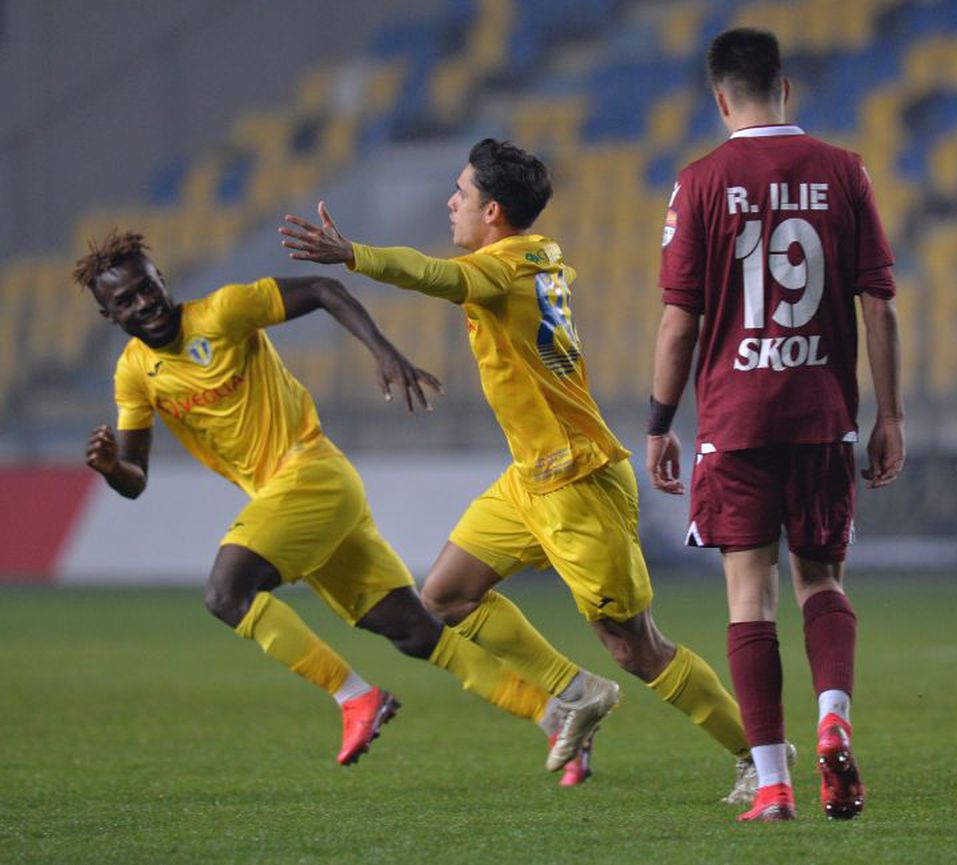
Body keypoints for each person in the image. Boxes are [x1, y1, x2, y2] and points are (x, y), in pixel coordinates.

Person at [278, 138, 753, 791]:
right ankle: (575, 688)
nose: (450, 202)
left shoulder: (499, 267)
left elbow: (435, 275)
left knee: (637, 646)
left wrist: (354, 255)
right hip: (532, 476)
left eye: (461, 193)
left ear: (494, 210)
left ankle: (757, 757)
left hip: (578, 482)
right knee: (446, 594)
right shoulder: (541, 253)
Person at [76, 230, 589, 778]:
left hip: (311, 475)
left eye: (146, 287)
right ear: (110, 315)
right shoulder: (134, 372)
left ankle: (355, 697)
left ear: (161, 280)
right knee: (415, 633)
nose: (143, 304)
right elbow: (135, 479)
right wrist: (111, 467)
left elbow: (323, 288)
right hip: (299, 507)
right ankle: (557, 717)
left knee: (227, 593)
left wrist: (385, 352)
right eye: (125, 300)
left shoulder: (223, 312)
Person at [645, 28, 906, 823]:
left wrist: (660, 421)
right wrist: (889, 412)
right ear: (784, 88)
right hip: (825, 416)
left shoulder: (698, 182)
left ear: (720, 98)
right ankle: (835, 715)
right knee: (821, 581)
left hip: (736, 420)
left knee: (748, 598)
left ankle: (774, 783)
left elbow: (678, 323)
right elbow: (878, 301)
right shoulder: (845, 171)